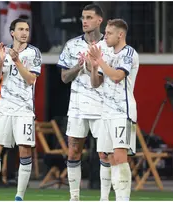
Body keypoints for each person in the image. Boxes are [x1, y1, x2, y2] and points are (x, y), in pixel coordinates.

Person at [57, 4, 113, 201]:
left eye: (89, 17)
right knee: (73, 153)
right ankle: (74, 197)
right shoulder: (72, 45)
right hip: (78, 108)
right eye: (83, 17)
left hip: (103, 107)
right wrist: (79, 67)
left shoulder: (109, 45)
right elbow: (64, 77)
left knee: (105, 154)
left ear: (100, 20)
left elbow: (114, 76)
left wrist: (95, 68)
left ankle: (104, 197)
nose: (84, 21)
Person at [0, 18, 42, 201]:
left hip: (24, 110)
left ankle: (19, 195)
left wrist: (17, 61)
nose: (24, 32)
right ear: (12, 33)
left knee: (24, 150)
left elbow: (31, 79)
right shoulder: (4, 51)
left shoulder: (34, 53)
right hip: (4, 108)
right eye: (21, 29)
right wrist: (0, 61)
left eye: (27, 29)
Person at [89, 18, 139, 201]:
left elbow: (118, 76)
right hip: (106, 112)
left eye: (109, 33)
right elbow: (96, 83)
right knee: (106, 155)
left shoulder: (128, 53)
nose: (106, 36)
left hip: (122, 111)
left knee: (119, 156)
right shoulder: (108, 55)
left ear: (120, 34)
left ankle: (122, 199)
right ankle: (104, 198)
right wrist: (95, 67)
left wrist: (100, 61)